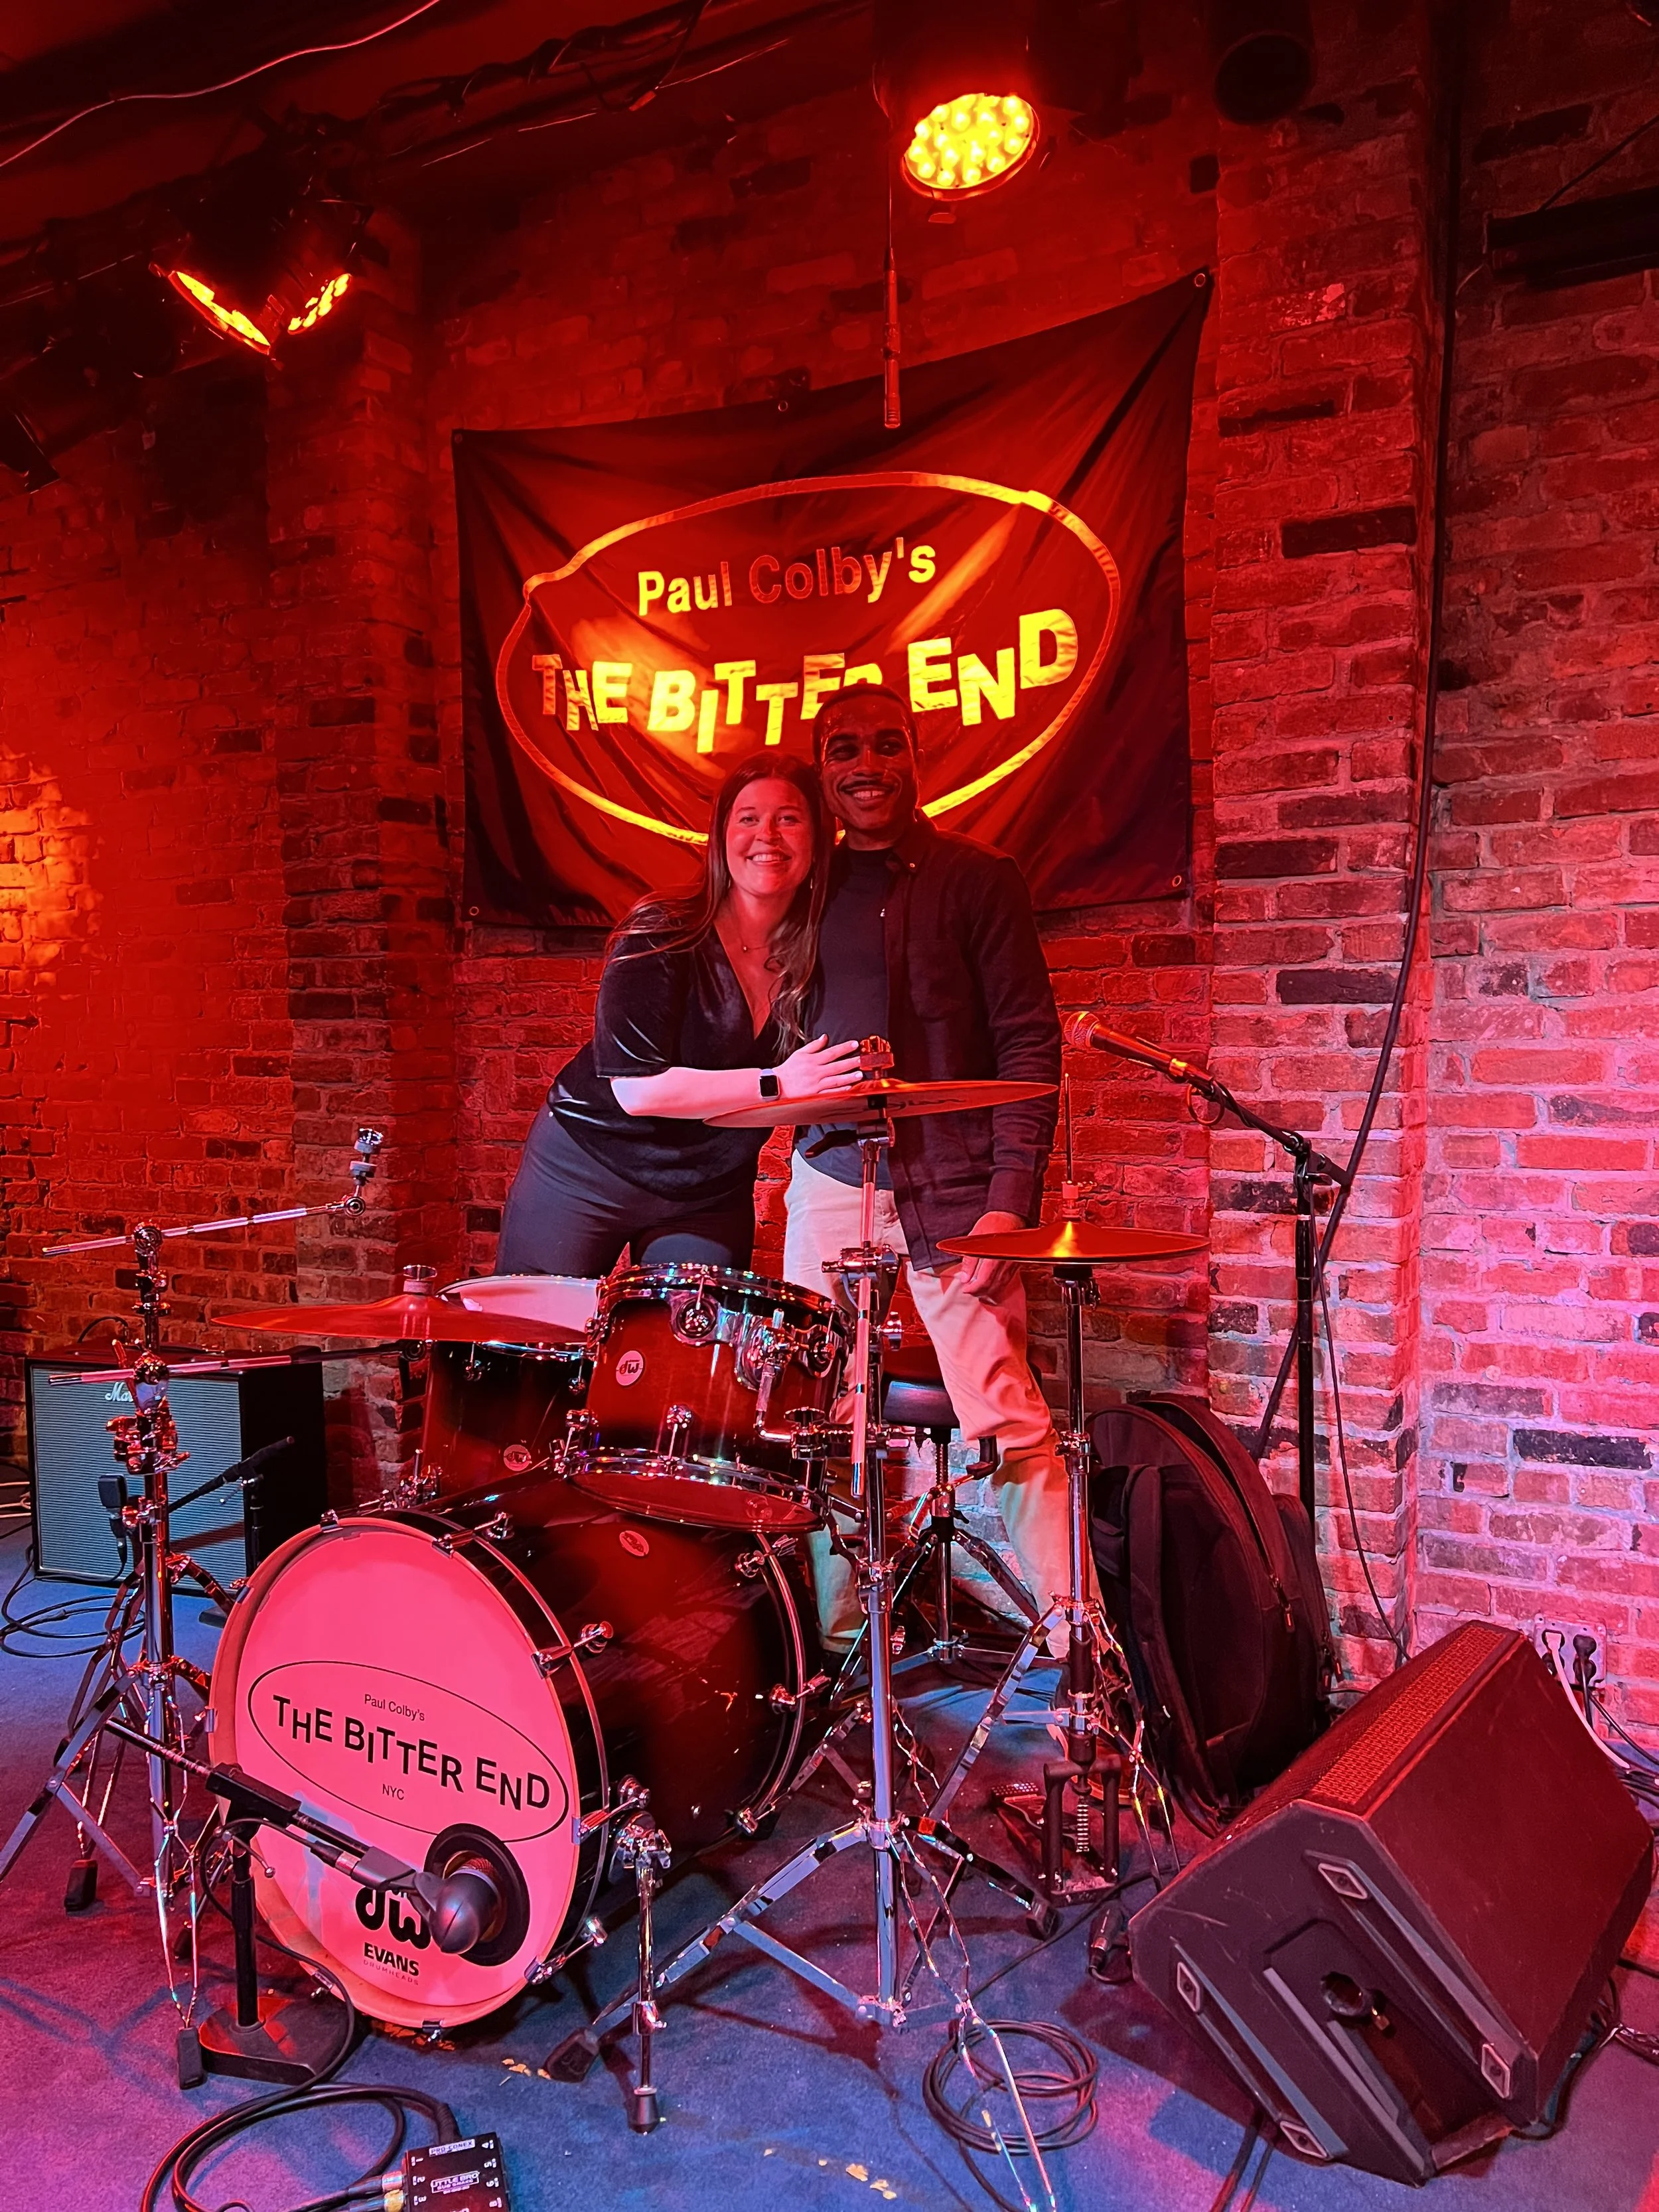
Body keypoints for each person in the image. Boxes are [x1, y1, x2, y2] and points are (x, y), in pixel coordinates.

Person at [782, 684, 1076, 1649]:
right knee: (821, 1422)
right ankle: (837, 1651)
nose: (865, 766)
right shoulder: (800, 892)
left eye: (886, 744)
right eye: (842, 750)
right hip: (829, 1182)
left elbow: (1029, 1046)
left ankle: (1085, 1657)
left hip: (954, 1193)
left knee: (1008, 1418)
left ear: (919, 756)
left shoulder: (977, 878)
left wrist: (1009, 1203)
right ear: (821, 770)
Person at [498, 752, 863, 1276]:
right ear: (721, 836)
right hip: (590, 1166)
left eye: (789, 818)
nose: (768, 835)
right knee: (541, 1345)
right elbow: (638, 1090)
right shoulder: (662, 930)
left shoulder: (823, 949)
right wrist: (776, 1084)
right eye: (748, 818)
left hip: (710, 1190)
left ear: (819, 835)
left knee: (691, 1354)